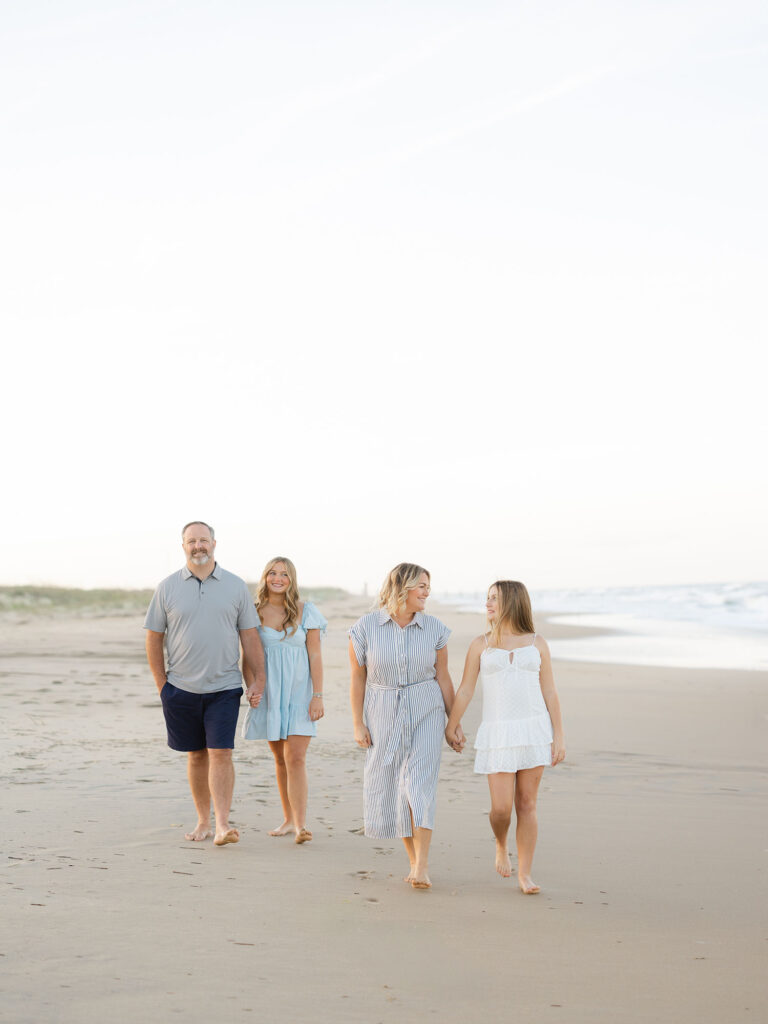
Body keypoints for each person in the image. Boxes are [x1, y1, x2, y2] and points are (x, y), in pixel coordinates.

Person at [144, 521, 266, 847]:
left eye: (203, 540)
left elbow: (250, 637)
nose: (198, 546)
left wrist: (259, 679)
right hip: (180, 688)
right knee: (197, 756)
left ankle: (223, 825)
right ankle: (203, 822)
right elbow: (154, 638)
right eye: (191, 541)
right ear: (183, 546)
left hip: (224, 687)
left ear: (214, 543)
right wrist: (162, 685)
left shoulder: (236, 586)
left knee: (221, 753)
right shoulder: (167, 587)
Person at [444, 580, 565, 893]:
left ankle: (525, 874)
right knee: (501, 809)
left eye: (494, 599)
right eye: (487, 598)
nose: (488, 604)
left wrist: (559, 735)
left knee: (526, 803)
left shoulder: (537, 643)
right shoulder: (480, 644)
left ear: (512, 602)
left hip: (534, 730)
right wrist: (452, 724)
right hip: (498, 733)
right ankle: (501, 844)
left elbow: (549, 690)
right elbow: (467, 688)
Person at [349, 563, 462, 890]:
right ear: (403, 587)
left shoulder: (435, 628)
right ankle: (413, 862)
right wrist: (358, 722)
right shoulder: (365, 628)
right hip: (381, 711)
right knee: (395, 786)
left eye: (428, 586)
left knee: (419, 785)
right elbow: (358, 678)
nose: (427, 592)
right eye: (422, 586)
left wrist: (453, 723)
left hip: (426, 708)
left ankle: (422, 865)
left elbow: (443, 676)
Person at [242, 557, 326, 844]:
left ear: (292, 580)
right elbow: (248, 658)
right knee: (280, 759)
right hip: (269, 694)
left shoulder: (306, 611)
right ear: (265, 577)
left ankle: (301, 825)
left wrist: (318, 696)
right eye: (273, 573)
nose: (278, 579)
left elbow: (315, 656)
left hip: (300, 693)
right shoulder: (252, 613)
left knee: (296, 757)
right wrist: (251, 687)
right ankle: (288, 820)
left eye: (284, 574)